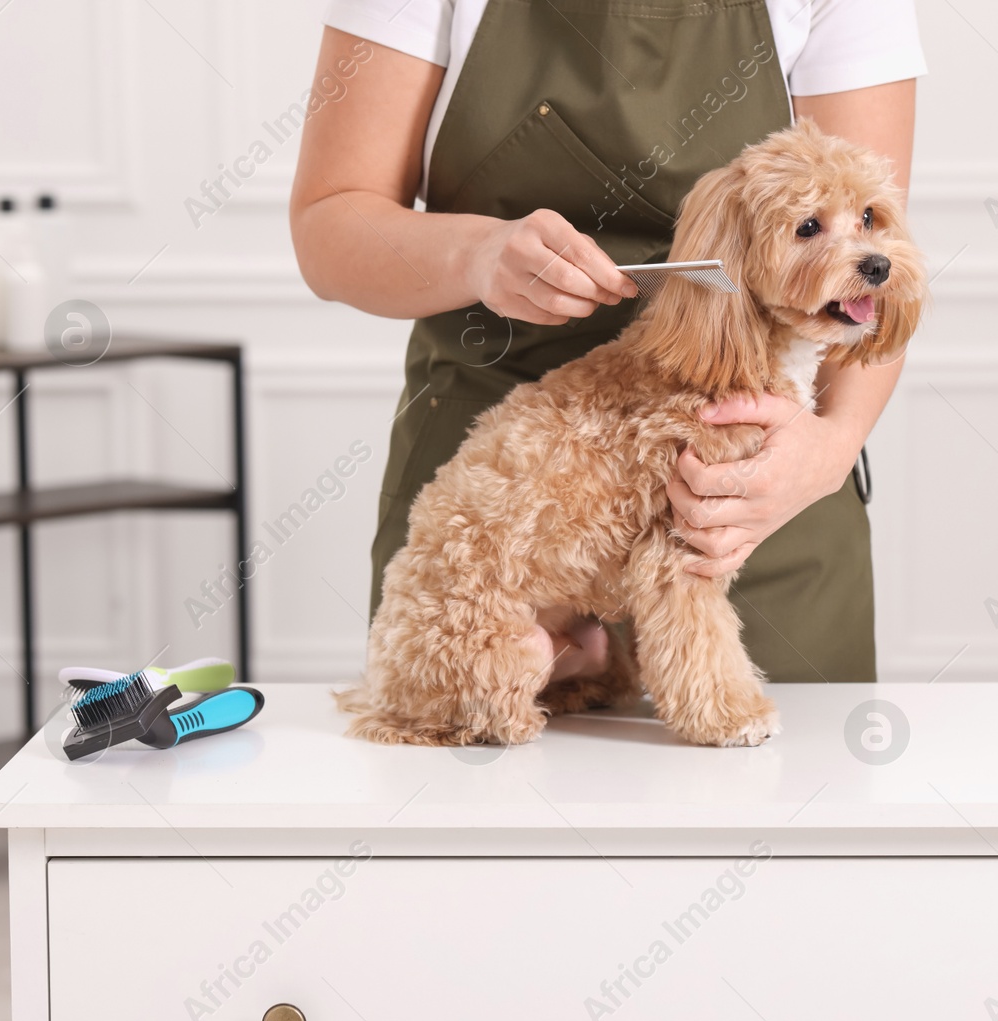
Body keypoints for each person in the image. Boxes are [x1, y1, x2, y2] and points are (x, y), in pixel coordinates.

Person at [291, 0, 925, 687]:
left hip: (759, 509)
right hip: (508, 525)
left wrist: (831, 448)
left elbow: (872, 273)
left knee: (791, 781)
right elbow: (330, 225)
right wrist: (475, 255)